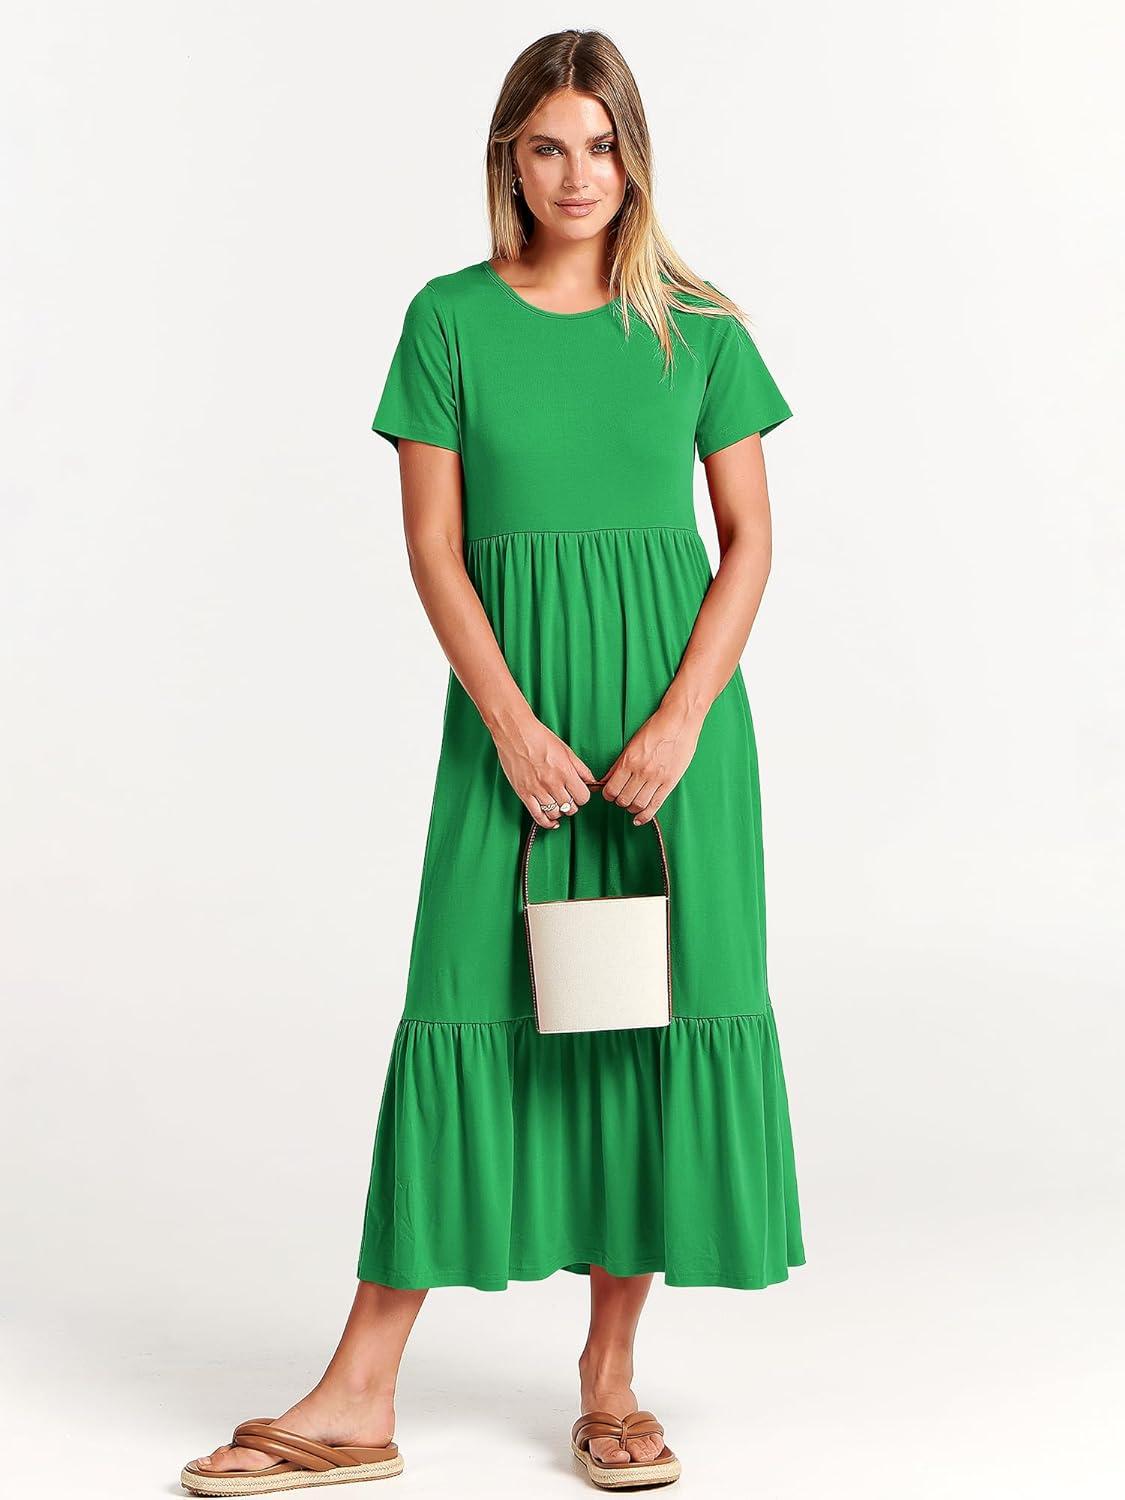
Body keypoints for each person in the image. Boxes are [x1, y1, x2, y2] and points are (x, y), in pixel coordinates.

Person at [180, 27, 805, 1496]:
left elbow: (750, 542)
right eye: (547, 146)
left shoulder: (700, 328)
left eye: (601, 144)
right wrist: (511, 726)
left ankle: (610, 1379)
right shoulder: (448, 319)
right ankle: (360, 1391)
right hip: (508, 733)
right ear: (507, 161)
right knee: (465, 1007)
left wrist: (679, 723)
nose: (577, 174)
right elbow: (433, 549)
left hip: (672, 742)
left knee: (637, 1025)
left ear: (633, 157)